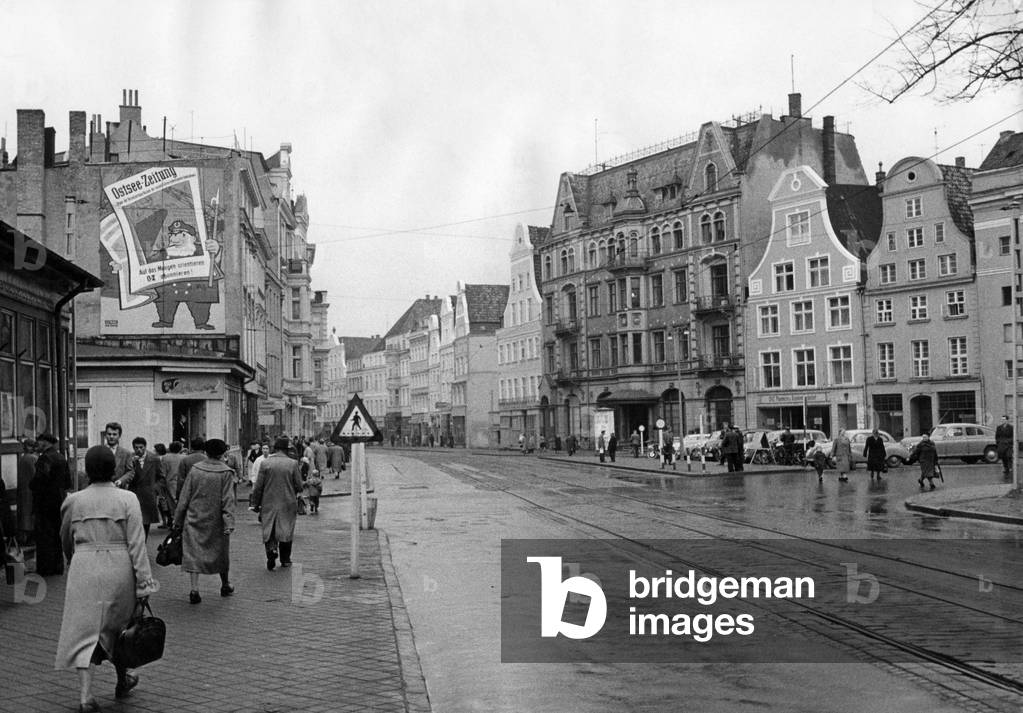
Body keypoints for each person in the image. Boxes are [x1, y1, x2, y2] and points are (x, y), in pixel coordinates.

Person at [55, 445, 157, 712]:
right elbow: (137, 544)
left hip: (84, 567)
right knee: (120, 629)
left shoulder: (73, 501)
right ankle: (123, 679)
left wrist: (73, 559)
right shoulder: (127, 499)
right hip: (119, 567)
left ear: (87, 470)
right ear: (114, 469)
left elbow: (65, 538)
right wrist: (144, 582)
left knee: (83, 631)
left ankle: (85, 695)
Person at [173, 438, 236, 604]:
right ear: (223, 453)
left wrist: (178, 519)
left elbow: (184, 497)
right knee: (221, 553)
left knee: (193, 553)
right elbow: (228, 499)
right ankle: (225, 584)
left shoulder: (195, 470)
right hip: (216, 520)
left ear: (206, 452)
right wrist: (229, 522)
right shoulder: (226, 472)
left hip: (194, 517)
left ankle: (194, 589)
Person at [250, 438, 304, 571]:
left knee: (270, 528)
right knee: (286, 530)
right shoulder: (292, 463)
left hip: (268, 502)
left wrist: (255, 504)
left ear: (274, 448)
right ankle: (285, 559)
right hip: (287, 503)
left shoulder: (265, 463)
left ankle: (271, 552)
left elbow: (258, 487)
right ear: (286, 450)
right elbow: (299, 485)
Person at [31, 433, 72, 576]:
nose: (38, 445)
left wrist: (32, 485)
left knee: (44, 535)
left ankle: (46, 568)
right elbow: (68, 481)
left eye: (39, 442)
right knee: (56, 534)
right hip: (59, 501)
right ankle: (58, 566)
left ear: (46, 442)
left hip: (44, 502)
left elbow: (39, 480)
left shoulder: (45, 458)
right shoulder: (61, 457)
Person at [116, 437, 161, 538]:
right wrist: (132, 463)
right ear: (133, 448)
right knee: (134, 522)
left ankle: (143, 545)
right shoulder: (130, 458)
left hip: (148, 494)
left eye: (141, 447)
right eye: (136, 448)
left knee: (146, 523)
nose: (139, 450)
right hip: (134, 493)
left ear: (145, 447)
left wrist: (155, 489)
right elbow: (126, 473)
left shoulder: (154, 459)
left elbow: (161, 477)